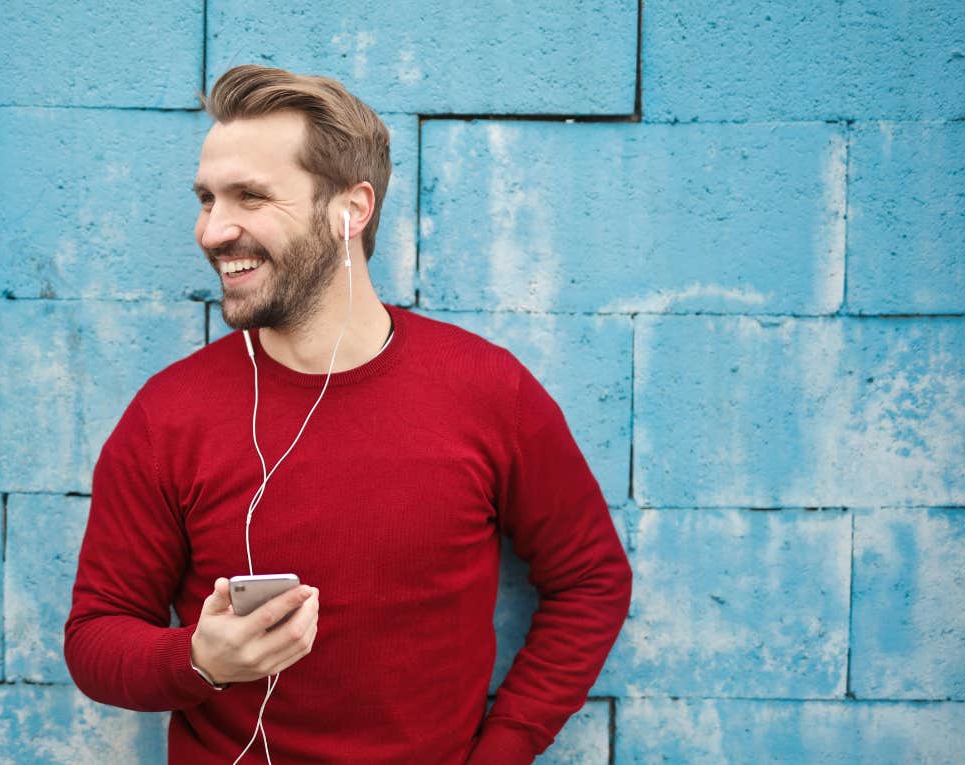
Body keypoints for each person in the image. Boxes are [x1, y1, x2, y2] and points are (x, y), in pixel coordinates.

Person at [64, 64, 633, 765]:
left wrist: (505, 749)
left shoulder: (487, 390)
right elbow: (95, 635)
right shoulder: (167, 417)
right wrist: (198, 657)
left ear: (350, 208)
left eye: (250, 197)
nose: (213, 230)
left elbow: (591, 580)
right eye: (208, 199)